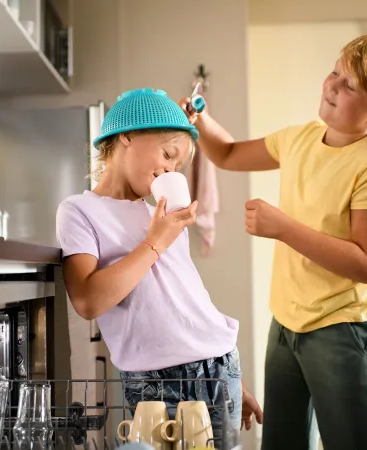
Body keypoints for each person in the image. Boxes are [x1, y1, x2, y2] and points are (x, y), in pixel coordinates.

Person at [179, 33, 367, 450]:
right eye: (335, 71)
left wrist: (283, 227)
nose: (332, 85)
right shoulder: (298, 138)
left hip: (345, 331)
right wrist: (199, 120)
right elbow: (226, 154)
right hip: (286, 325)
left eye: (349, 85)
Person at [55, 88, 263, 444]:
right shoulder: (79, 211)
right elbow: (88, 300)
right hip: (152, 381)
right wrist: (155, 242)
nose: (170, 169)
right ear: (127, 135)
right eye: (168, 155)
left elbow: (191, 300)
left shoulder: (161, 217)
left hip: (218, 368)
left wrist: (232, 379)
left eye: (177, 166)